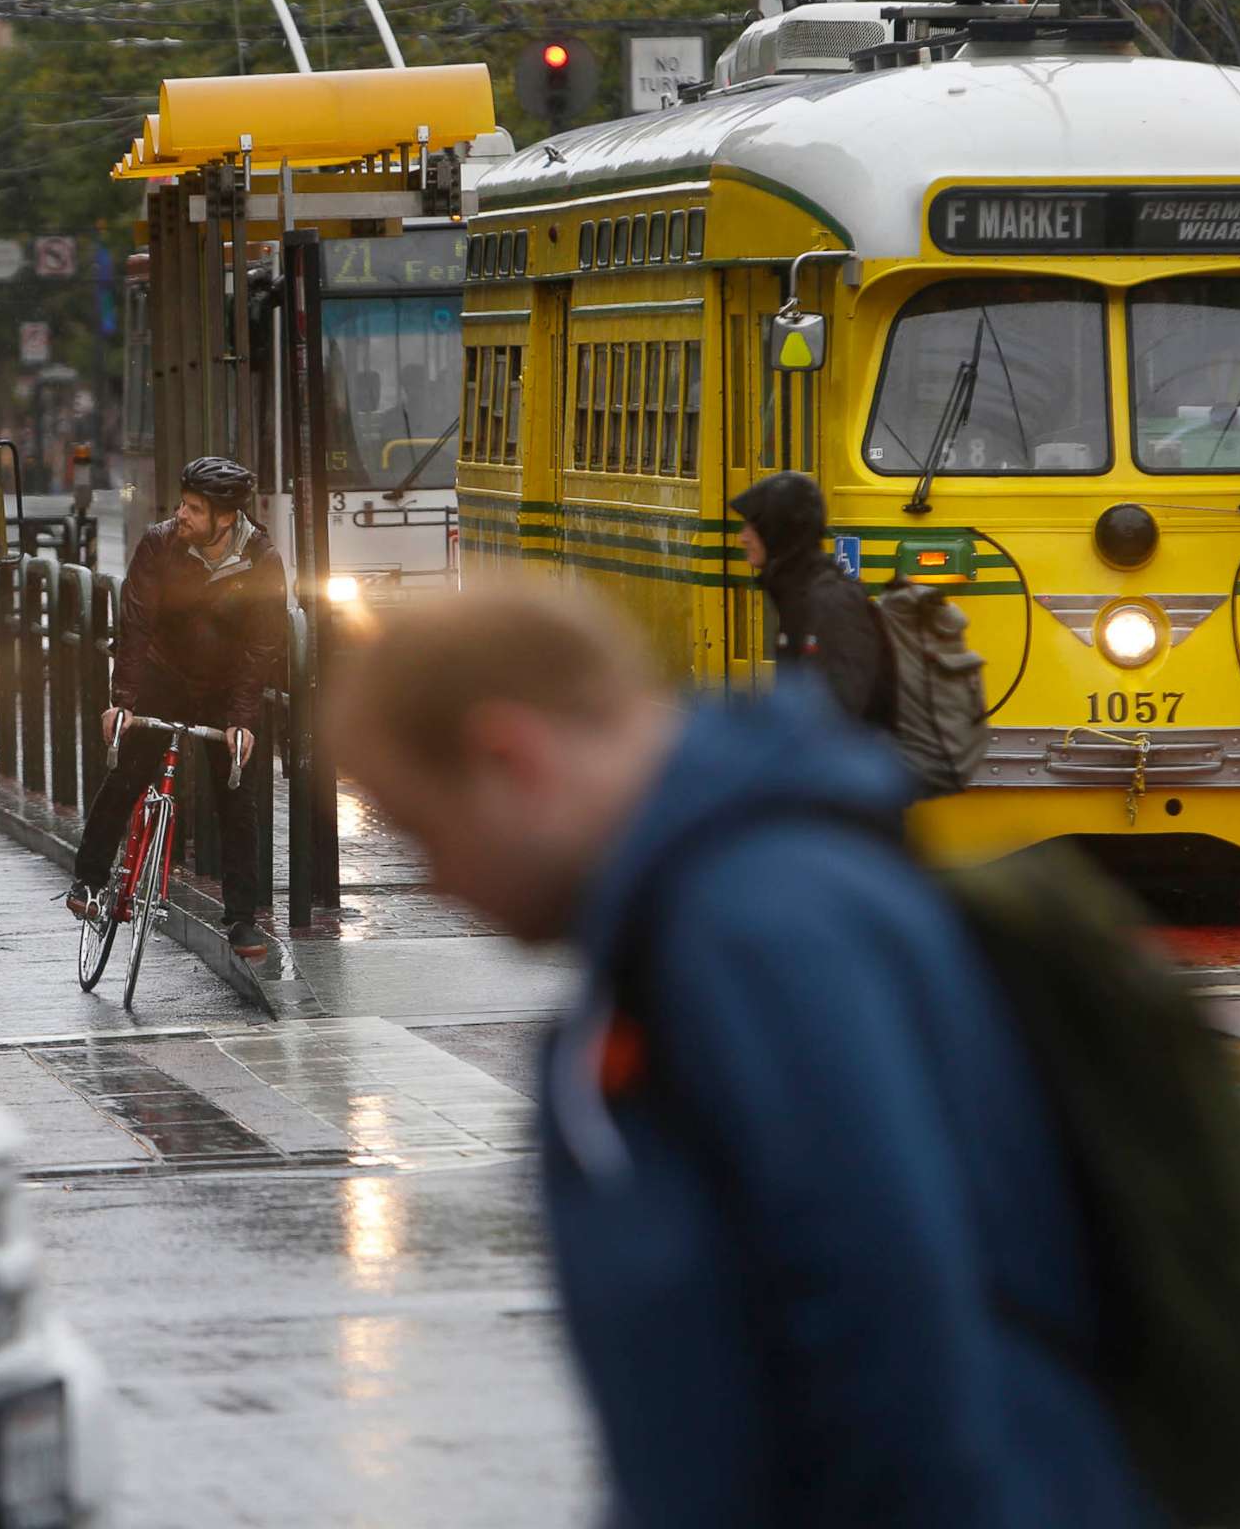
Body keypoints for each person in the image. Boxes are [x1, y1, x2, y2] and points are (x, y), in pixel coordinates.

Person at [330, 585, 1160, 1528]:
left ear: (508, 757)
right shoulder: (719, 911)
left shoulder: (755, 928)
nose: (437, 883)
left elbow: (887, 1330)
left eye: (423, 832)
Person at [68, 455, 284, 959]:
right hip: (162, 677)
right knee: (127, 773)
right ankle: (88, 880)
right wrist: (122, 704)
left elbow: (262, 645)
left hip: (224, 687)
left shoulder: (262, 560)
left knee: (236, 796)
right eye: (182, 504)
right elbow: (136, 627)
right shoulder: (159, 544)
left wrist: (241, 721)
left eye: (193, 509)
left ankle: (242, 922)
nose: (180, 515)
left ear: (224, 519)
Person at [730, 469, 892, 723]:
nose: (743, 537)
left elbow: (840, 716)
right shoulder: (795, 593)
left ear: (777, 531)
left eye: (753, 526)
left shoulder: (830, 603)